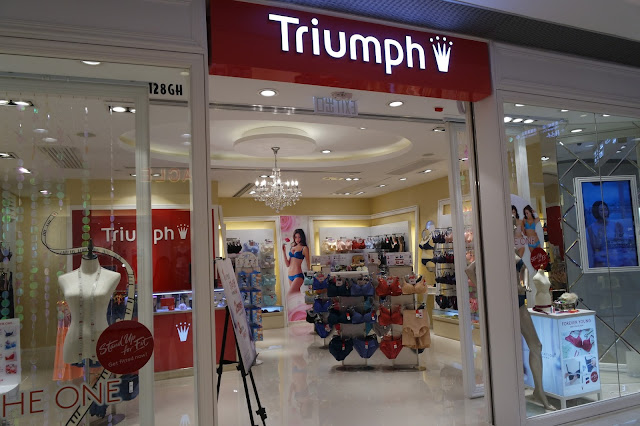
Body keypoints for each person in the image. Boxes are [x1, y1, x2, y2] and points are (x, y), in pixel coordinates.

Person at [586, 201, 625, 268]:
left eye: (606, 209)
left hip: (615, 257)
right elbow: (595, 247)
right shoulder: (591, 228)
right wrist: (600, 236)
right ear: (596, 212)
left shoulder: (615, 224)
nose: (604, 212)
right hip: (601, 260)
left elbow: (620, 243)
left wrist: (620, 233)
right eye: (601, 210)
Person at [283, 229, 310, 321]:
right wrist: (284, 252)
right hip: (290, 275)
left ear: (302, 237)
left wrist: (310, 278)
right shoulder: (292, 247)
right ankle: (300, 318)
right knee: (296, 298)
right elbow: (287, 264)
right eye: (295, 237)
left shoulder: (304, 248)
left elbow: (308, 263)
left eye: (299, 237)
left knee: (289, 296)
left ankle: (301, 315)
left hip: (298, 276)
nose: (297, 239)